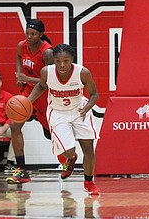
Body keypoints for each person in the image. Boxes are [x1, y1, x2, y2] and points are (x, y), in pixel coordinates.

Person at [28, 43, 101, 195]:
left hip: (80, 111)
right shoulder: (46, 72)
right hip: (58, 112)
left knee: (88, 148)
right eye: (58, 61)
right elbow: (41, 86)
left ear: (72, 59)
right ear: (53, 60)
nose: (62, 65)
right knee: (68, 152)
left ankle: (89, 182)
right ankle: (71, 158)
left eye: (66, 61)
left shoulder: (82, 73)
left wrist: (86, 109)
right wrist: (28, 101)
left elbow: (94, 94)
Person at [6, 19, 56, 184]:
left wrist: (26, 77)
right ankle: (22, 170)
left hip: (43, 93)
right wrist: (19, 74)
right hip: (27, 92)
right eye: (27, 33)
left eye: (33, 34)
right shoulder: (22, 45)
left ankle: (69, 156)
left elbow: (48, 81)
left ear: (41, 35)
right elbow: (19, 58)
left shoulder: (48, 53)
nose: (29, 36)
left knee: (51, 135)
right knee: (14, 125)